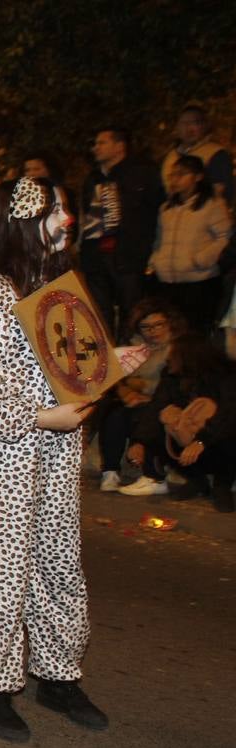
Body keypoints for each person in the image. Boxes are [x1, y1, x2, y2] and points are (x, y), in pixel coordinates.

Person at [0, 176, 147, 743]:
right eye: (55, 210)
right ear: (22, 220)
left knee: (58, 564)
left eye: (67, 209)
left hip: (56, 452)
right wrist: (40, 418)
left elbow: (69, 371)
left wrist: (113, 367)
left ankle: (58, 675)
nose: (66, 220)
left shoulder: (57, 289)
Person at [125, 333, 235, 512]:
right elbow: (156, 407)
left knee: (230, 436)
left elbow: (228, 414)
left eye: (173, 354)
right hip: (187, 436)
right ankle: (197, 481)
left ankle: (222, 486)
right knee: (162, 422)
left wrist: (202, 440)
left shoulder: (224, 376)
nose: (168, 359)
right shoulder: (172, 377)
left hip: (215, 437)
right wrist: (139, 442)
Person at [79, 127, 164, 340]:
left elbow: (155, 210)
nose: (96, 148)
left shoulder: (142, 173)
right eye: (95, 144)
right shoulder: (93, 178)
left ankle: (128, 356)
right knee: (99, 312)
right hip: (96, 256)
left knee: (131, 310)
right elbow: (86, 214)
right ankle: (107, 361)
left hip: (128, 254)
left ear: (119, 146)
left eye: (102, 143)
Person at [100, 301, 181, 492]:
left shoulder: (177, 349)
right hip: (135, 401)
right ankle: (110, 471)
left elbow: (174, 385)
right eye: (146, 327)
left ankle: (154, 476)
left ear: (169, 324)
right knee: (115, 415)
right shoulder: (134, 348)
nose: (153, 331)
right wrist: (124, 390)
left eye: (158, 324)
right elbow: (113, 377)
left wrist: (143, 390)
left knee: (148, 415)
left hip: (163, 402)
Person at [148, 154, 232, 335]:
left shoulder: (212, 205)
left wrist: (203, 259)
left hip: (198, 281)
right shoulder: (166, 208)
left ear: (198, 177)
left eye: (182, 174)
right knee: (172, 331)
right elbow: (159, 239)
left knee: (195, 331)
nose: (176, 180)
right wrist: (156, 261)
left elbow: (225, 236)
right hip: (168, 280)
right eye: (173, 175)